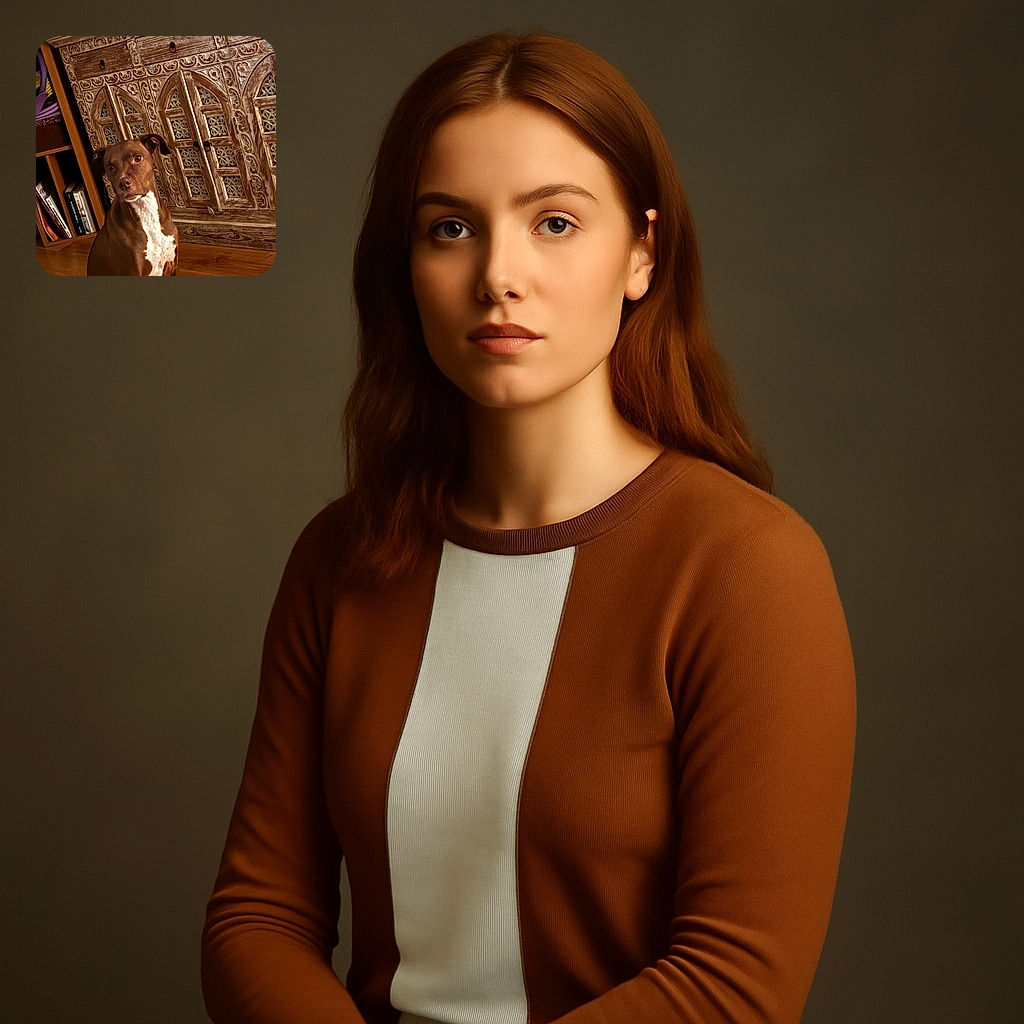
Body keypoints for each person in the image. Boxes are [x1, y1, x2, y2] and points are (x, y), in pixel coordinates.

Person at [201, 31, 855, 1024]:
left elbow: (733, 985)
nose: (498, 273)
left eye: (554, 222)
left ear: (642, 252)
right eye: (449, 228)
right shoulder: (339, 559)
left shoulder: (749, 567)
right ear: (405, 264)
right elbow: (256, 918)